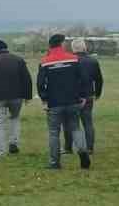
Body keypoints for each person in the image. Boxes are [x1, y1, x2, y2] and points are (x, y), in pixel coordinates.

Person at [36, 34, 92, 170]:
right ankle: (83, 151)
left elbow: (40, 83)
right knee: (76, 128)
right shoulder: (74, 59)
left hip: (54, 102)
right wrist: (83, 95)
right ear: (61, 44)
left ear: (50, 45)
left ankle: (54, 163)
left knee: (54, 132)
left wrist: (44, 98)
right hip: (73, 100)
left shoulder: (44, 62)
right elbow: (84, 78)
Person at [63, 38, 105, 154]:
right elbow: (99, 79)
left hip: (72, 96)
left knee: (69, 123)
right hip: (88, 95)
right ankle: (90, 148)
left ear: (73, 48)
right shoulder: (93, 61)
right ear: (84, 47)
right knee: (88, 123)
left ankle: (68, 147)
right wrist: (97, 93)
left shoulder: (69, 61)